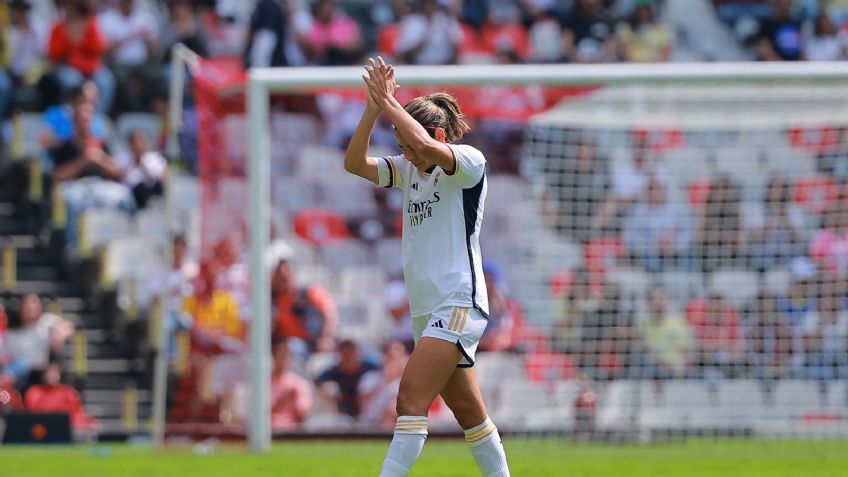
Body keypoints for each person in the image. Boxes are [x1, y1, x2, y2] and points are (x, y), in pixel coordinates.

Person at [344, 57, 511, 477]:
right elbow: (354, 164)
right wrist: (373, 108)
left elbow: (427, 145)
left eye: (410, 145)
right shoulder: (408, 170)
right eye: (400, 146)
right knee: (471, 415)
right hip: (427, 310)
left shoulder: (468, 163)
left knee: (410, 400)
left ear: (436, 136)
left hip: (458, 301)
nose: (406, 154)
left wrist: (390, 102)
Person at [50, 102, 134, 254]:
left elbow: (119, 174)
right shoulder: (64, 146)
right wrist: (83, 162)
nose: (85, 123)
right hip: (76, 187)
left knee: (124, 197)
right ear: (75, 122)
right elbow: (57, 176)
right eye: (82, 120)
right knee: (72, 201)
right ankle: (74, 249)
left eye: (88, 119)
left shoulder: (102, 144)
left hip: (102, 187)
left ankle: (122, 246)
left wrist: (99, 159)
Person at [46, 0, 115, 113]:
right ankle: (72, 114)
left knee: (106, 81)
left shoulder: (91, 23)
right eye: (66, 5)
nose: (69, 9)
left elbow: (98, 48)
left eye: (73, 5)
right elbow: (54, 54)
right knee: (72, 81)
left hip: (91, 66)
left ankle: (96, 117)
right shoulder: (57, 27)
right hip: (68, 66)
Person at [622, 178, 694, 273]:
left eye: (658, 189)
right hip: (649, 253)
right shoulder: (637, 211)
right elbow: (630, 238)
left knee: (690, 257)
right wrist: (653, 245)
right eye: (651, 189)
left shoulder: (679, 208)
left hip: (677, 251)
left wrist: (674, 245)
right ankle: (655, 285)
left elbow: (689, 233)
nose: (655, 193)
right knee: (650, 259)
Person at [3, 294, 75, 388]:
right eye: (27, 306)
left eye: (34, 304)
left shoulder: (47, 322)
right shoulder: (13, 334)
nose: (31, 308)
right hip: (20, 377)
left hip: (43, 374)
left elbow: (69, 326)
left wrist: (59, 335)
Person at [271, 259, 338, 355]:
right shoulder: (273, 301)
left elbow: (330, 316)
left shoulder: (311, 293)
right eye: (279, 277)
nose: (283, 280)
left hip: (315, 346)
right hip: (288, 350)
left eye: (286, 276)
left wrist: (326, 338)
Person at [24, 363, 100, 431]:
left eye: (54, 373)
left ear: (59, 375)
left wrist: (89, 421)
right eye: (49, 373)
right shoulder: (34, 391)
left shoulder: (69, 392)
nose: (51, 376)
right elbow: (33, 412)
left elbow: (76, 413)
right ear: (43, 376)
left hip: (66, 427)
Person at [639, 287, 695, 379]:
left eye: (662, 300)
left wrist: (681, 366)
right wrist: (663, 363)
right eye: (655, 301)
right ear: (648, 304)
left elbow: (685, 351)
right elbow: (644, 350)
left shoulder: (678, 322)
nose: (659, 304)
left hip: (677, 368)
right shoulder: (642, 325)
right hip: (654, 369)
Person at [315, 339, 379, 418]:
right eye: (344, 353)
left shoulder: (368, 366)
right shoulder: (335, 371)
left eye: (350, 352)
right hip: (343, 410)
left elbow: (384, 372)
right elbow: (318, 379)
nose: (348, 356)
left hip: (367, 410)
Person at [397, 0, 461, 65]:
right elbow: (401, 54)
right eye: (426, 3)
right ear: (421, 4)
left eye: (432, 3)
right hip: (418, 67)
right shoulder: (411, 22)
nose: (429, 6)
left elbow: (456, 49)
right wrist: (420, 45)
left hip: (445, 66)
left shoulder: (448, 21)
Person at [118, 128, 168, 209]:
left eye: (142, 141)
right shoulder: (123, 159)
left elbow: (164, 180)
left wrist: (144, 166)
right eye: (136, 143)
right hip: (129, 195)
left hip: (151, 193)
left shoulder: (155, 158)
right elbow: (119, 178)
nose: (140, 145)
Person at [270, 340, 313, 431]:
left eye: (285, 356)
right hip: (268, 429)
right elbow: (261, 414)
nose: (281, 360)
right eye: (278, 355)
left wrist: (294, 399)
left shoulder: (299, 383)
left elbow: (303, 415)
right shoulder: (261, 384)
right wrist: (285, 398)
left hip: (292, 431)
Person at [305, 0, 363, 66]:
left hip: (347, 61)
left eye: (330, 9)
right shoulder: (310, 26)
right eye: (325, 10)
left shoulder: (347, 23)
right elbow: (309, 51)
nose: (328, 12)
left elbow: (357, 46)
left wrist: (340, 47)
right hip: (321, 64)